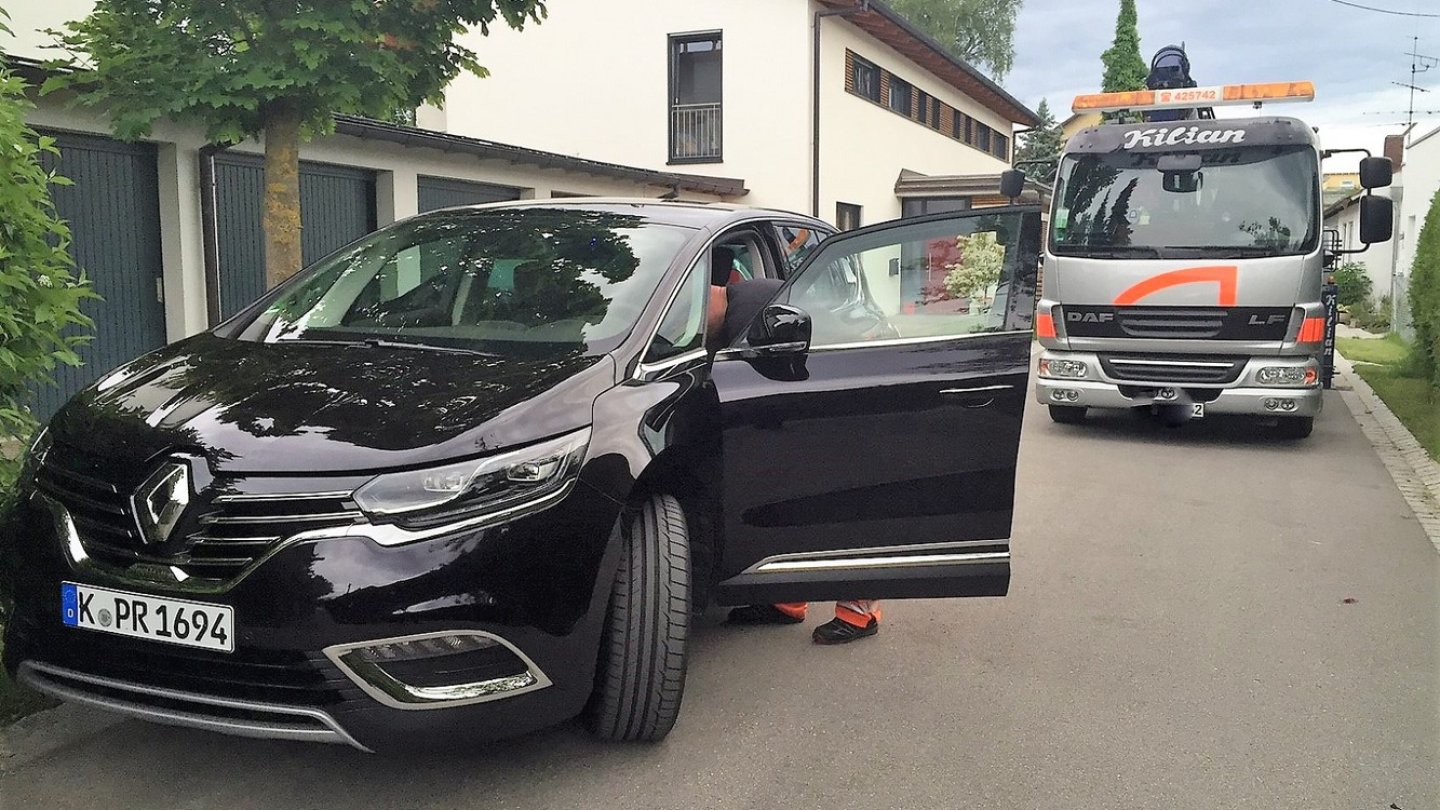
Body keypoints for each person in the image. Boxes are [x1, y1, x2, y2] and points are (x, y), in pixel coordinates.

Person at [706, 270, 882, 645]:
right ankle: (785, 600)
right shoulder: (742, 302)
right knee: (787, 502)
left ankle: (860, 614)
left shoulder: (746, 313)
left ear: (710, 297)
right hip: (812, 405)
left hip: (845, 406)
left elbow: (754, 382)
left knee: (844, 508)